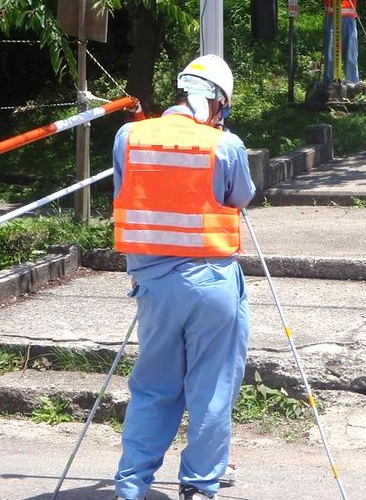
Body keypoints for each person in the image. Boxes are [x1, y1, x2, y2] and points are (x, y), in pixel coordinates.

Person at [112, 54, 256, 500]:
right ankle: (199, 486)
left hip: (153, 285)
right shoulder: (225, 144)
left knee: (153, 387)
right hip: (212, 281)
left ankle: (132, 485)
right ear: (218, 103)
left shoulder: (129, 135)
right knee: (211, 389)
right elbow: (242, 197)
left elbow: (123, 188)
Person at [319, 0, 364, 85]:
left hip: (349, 18)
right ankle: (329, 85)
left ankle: (353, 85)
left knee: (351, 53)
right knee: (330, 53)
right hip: (331, 18)